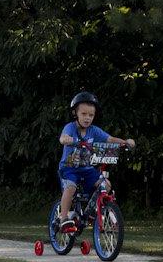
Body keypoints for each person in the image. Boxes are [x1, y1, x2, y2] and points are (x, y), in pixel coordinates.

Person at [56, 91, 134, 233]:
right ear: (76, 114)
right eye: (84, 114)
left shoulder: (94, 130)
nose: (87, 118)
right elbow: (63, 137)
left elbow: (109, 139)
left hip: (87, 169)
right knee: (71, 188)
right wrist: (66, 139)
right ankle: (63, 218)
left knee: (106, 185)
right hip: (69, 168)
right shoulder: (70, 127)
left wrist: (125, 142)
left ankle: (92, 213)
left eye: (91, 115)